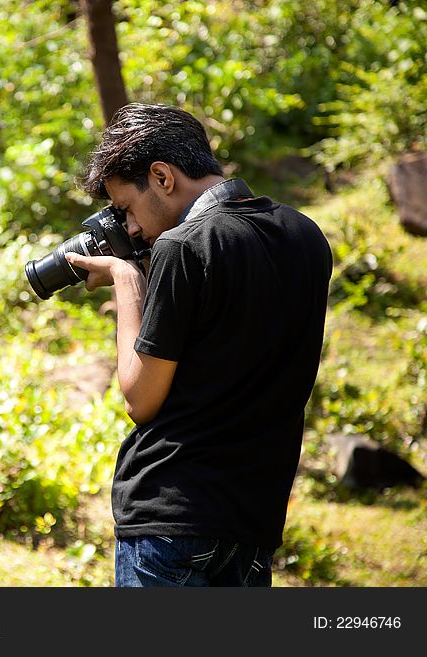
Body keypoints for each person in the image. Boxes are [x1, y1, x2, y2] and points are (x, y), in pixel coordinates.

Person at [65, 103, 332, 587]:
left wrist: (127, 279)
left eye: (125, 209)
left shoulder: (183, 246)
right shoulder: (305, 236)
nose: (126, 229)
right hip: (253, 522)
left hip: (171, 518)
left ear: (162, 177)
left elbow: (140, 398)